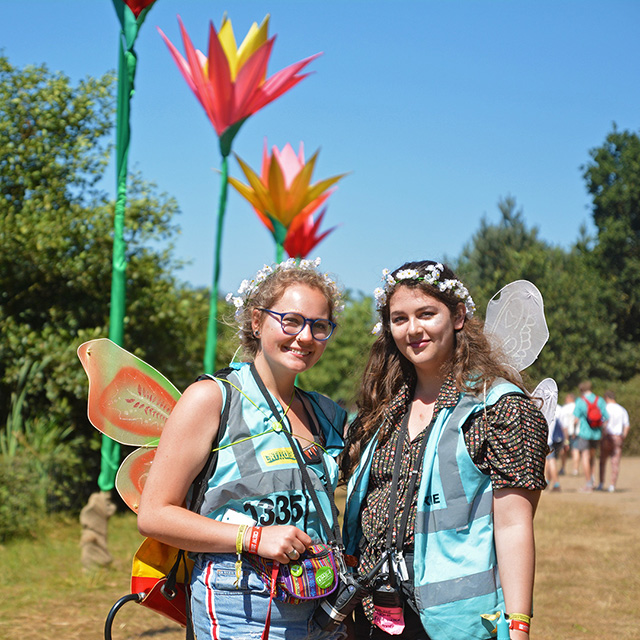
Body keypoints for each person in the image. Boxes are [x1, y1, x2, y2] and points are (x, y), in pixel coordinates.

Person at [137, 258, 348, 640]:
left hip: (321, 601)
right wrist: (255, 538)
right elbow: (154, 515)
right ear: (256, 321)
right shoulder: (212, 399)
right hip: (239, 603)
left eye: (319, 326)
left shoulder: (327, 413)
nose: (304, 337)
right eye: (291, 320)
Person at [342, 261, 548, 640]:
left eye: (426, 314)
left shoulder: (497, 407)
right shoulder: (383, 408)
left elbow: (515, 524)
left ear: (457, 316)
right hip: (373, 614)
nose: (413, 329)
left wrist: (518, 627)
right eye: (399, 318)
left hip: (456, 622)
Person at [573, 381, 608, 493]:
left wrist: (574, 430)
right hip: (597, 433)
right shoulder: (600, 400)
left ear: (581, 390)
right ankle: (592, 481)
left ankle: (588, 484)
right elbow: (606, 417)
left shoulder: (580, 401)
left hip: (584, 433)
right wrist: (602, 430)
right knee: (592, 458)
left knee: (585, 457)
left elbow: (576, 419)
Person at [598, 391, 630, 492]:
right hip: (618, 437)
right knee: (615, 462)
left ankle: (601, 483)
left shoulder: (605, 409)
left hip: (606, 437)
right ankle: (612, 485)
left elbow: (602, 424)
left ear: (606, 398)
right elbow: (626, 425)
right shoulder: (622, 410)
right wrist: (623, 436)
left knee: (602, 461)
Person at [557, 393, 579, 476]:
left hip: (565, 432)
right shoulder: (577, 407)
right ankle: (575, 469)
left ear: (570, 398)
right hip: (575, 432)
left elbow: (562, 422)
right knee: (575, 450)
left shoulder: (565, 408)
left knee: (564, 450)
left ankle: (562, 468)